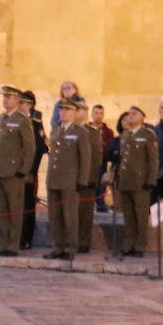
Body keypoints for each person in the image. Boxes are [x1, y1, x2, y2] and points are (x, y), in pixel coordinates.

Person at [0, 86, 35, 258]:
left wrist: (23, 170)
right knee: (1, 210)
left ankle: (12, 245)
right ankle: (2, 244)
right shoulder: (1, 118)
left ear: (17, 100)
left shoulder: (22, 120)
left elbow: (29, 148)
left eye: (9, 97)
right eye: (4, 97)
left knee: (14, 210)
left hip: (13, 172)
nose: (5, 100)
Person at [45, 97, 89, 261]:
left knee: (69, 215)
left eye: (67, 110)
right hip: (54, 178)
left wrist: (82, 180)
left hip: (70, 180)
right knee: (54, 216)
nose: (62, 112)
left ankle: (71, 247)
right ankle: (57, 247)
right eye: (61, 109)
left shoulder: (80, 132)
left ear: (75, 112)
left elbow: (85, 158)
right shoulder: (56, 130)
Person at [113, 106, 158, 258]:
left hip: (140, 182)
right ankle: (128, 245)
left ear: (142, 117)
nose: (130, 116)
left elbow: (152, 160)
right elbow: (122, 159)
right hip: (125, 181)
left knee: (140, 216)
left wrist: (150, 180)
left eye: (134, 114)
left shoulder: (148, 135)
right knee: (128, 216)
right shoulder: (126, 134)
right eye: (129, 114)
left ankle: (140, 246)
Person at [74, 98, 102, 253]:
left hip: (86, 181)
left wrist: (90, 179)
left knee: (84, 214)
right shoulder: (64, 130)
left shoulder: (91, 133)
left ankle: (83, 242)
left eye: (79, 110)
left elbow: (96, 159)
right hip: (69, 180)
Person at [19, 90, 46, 250]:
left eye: (24, 103)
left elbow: (40, 147)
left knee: (28, 205)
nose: (21, 105)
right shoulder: (16, 119)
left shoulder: (35, 121)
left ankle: (27, 238)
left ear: (31, 105)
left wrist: (31, 170)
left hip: (29, 172)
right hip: (15, 171)